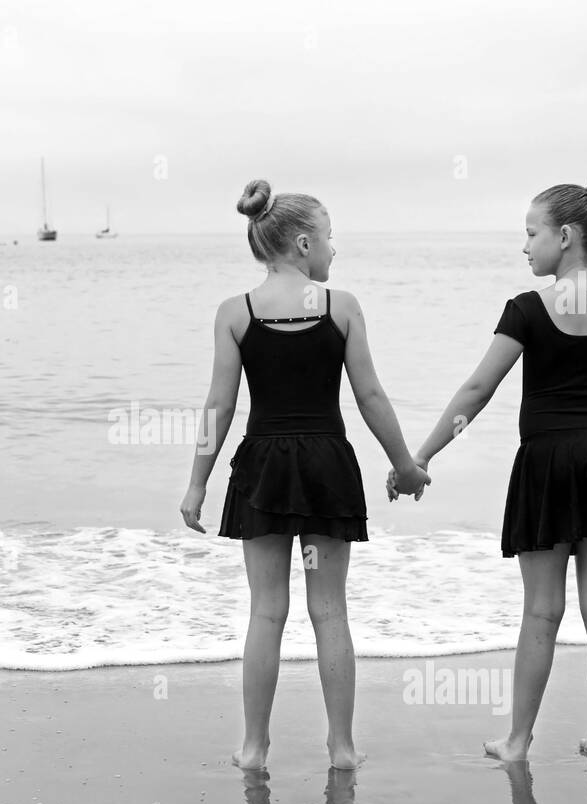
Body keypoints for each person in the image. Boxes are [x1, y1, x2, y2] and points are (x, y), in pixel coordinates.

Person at [392, 173, 587, 762]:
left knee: (542, 609)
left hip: (546, 464)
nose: (525, 246)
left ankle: (517, 741)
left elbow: (479, 387)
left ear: (565, 237)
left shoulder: (527, 309)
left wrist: (423, 454)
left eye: (531, 233)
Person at [181, 179, 430, 770]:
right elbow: (369, 394)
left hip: (263, 464)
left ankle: (253, 747)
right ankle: (342, 748)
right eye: (328, 238)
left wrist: (198, 482)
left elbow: (219, 406)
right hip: (326, 462)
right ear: (301, 243)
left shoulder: (235, 313)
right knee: (331, 612)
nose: (334, 249)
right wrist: (404, 464)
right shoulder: (340, 307)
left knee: (266, 611)